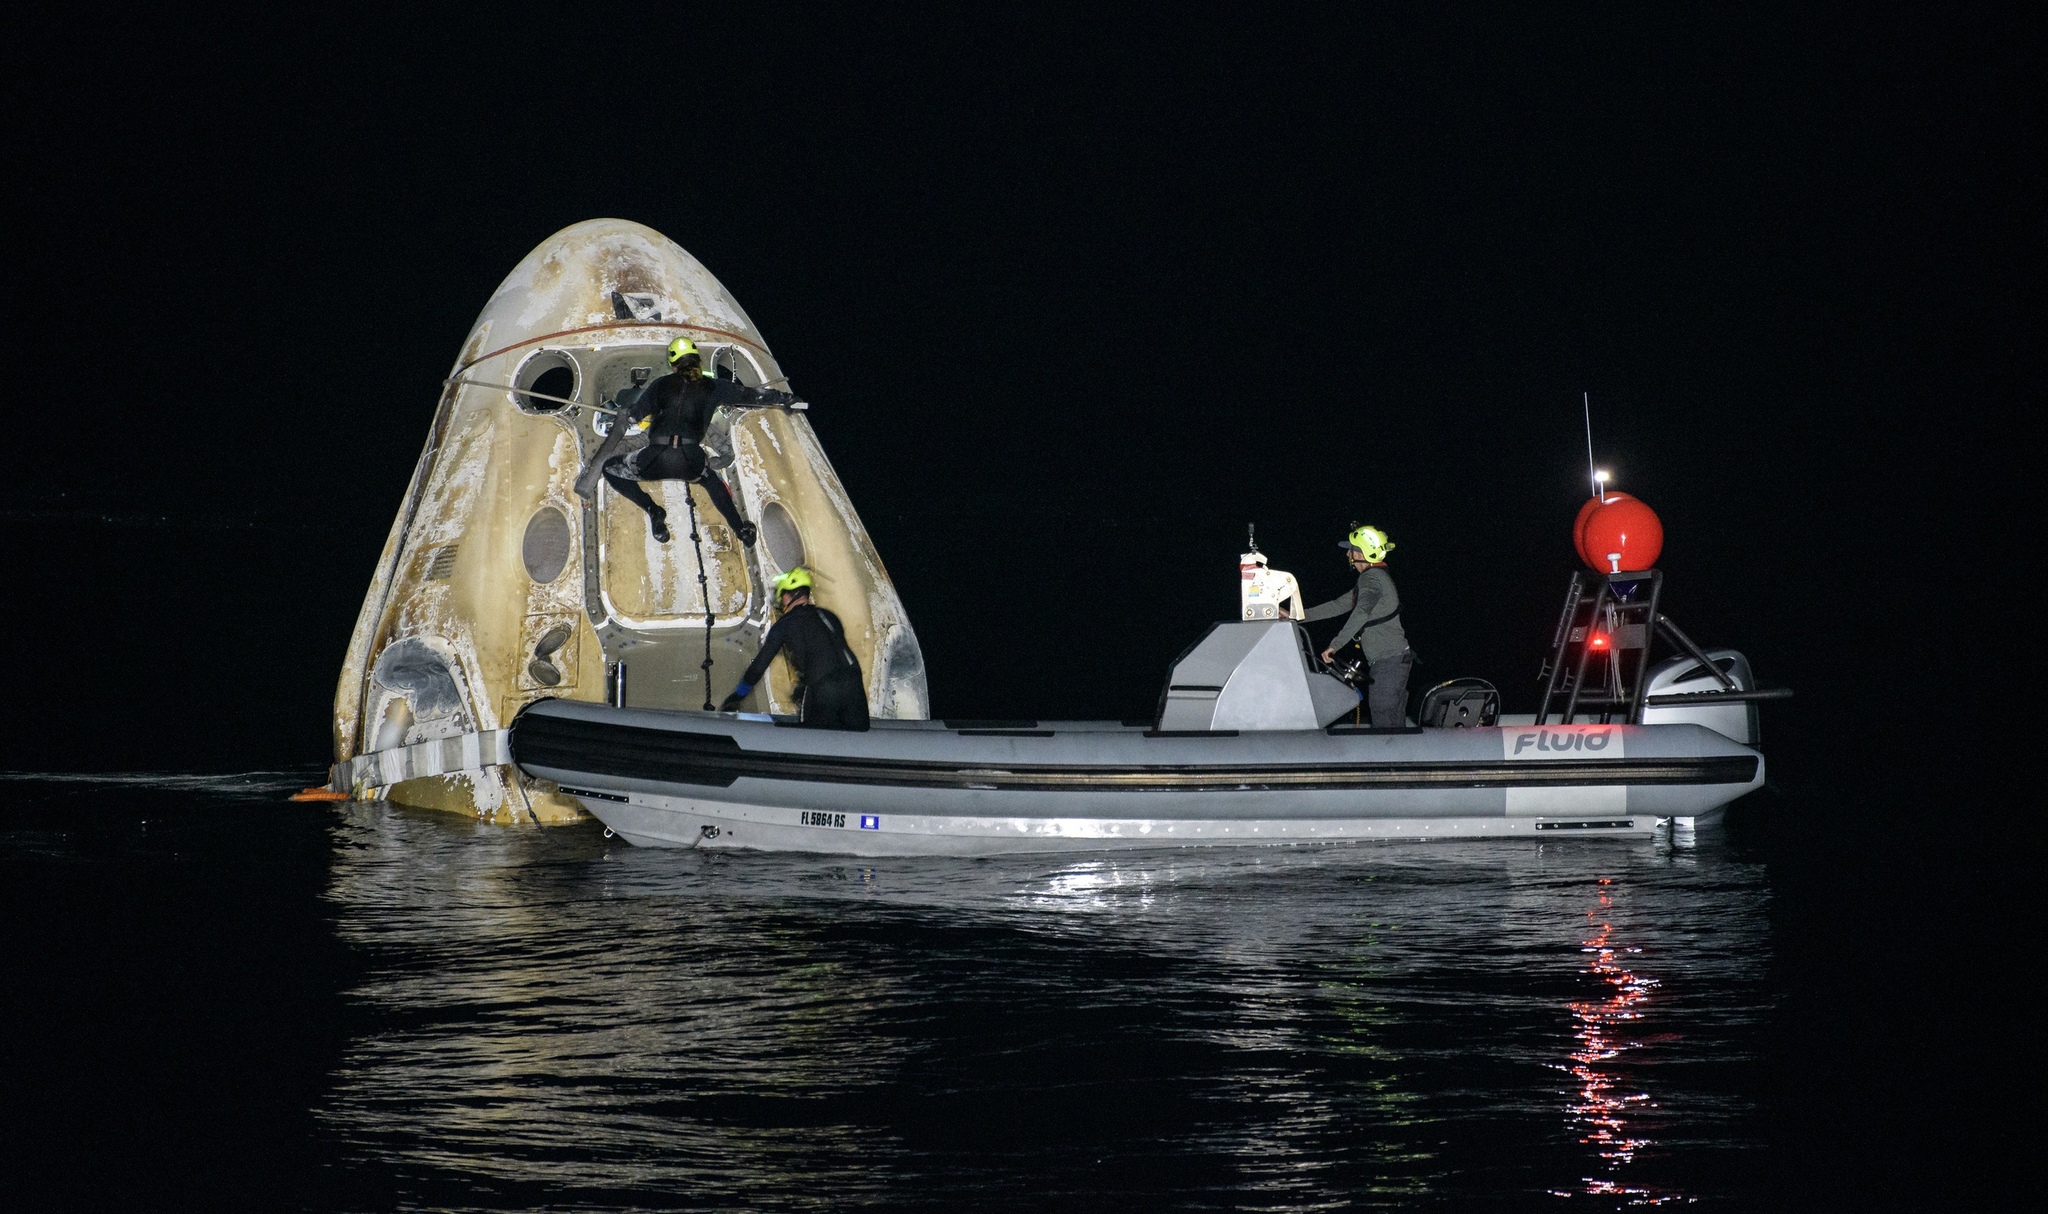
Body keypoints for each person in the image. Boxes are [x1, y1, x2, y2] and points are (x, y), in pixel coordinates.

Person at [574, 336, 796, 544]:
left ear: (673, 364)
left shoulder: (660, 384)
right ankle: (741, 530)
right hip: (691, 462)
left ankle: (653, 510)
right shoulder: (715, 386)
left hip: (654, 459)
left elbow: (634, 416)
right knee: (711, 480)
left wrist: (625, 412)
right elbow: (752, 396)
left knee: (611, 468)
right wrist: (785, 398)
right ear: (698, 360)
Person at [719, 568, 870, 730]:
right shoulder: (830, 616)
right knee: (856, 734)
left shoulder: (785, 624)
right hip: (854, 682)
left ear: (786, 596)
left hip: (823, 686)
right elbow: (829, 652)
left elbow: (759, 667)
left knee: (813, 740)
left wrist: (738, 695)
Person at [1304, 524, 1412, 728]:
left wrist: (1335, 645)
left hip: (1389, 663)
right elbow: (1338, 605)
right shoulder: (1373, 578)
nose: (1347, 554)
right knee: (1393, 722)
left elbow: (1361, 612)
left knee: (1384, 721)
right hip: (1392, 662)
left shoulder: (1371, 578)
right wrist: (1295, 616)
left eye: (1351, 549)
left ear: (1362, 553)